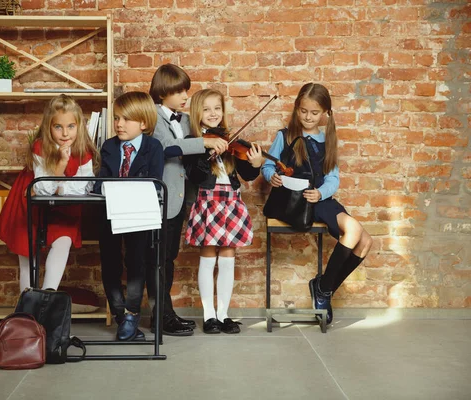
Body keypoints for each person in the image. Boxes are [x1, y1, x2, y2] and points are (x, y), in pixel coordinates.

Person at [261, 83, 373, 324]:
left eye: (314, 113)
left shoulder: (327, 140)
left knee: (365, 241)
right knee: (354, 231)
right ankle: (323, 290)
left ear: (325, 113)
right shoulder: (285, 135)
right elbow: (268, 165)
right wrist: (273, 176)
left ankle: (323, 287)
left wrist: (321, 194)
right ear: (296, 109)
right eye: (303, 111)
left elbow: (333, 179)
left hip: (319, 200)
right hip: (295, 202)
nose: (308, 117)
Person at [146, 64, 228, 336]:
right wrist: (203, 144)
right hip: (160, 198)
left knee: (168, 257)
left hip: (180, 199)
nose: (185, 96)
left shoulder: (183, 120)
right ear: (163, 92)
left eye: (186, 91)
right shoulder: (153, 116)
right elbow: (166, 147)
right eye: (179, 91)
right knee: (158, 258)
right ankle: (160, 315)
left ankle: (165, 313)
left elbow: (193, 145)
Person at [0, 95, 99, 292]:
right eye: (58, 127)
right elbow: (42, 189)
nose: (65, 133)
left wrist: (61, 187)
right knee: (28, 254)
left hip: (64, 209)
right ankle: (28, 307)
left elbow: (84, 187)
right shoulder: (40, 147)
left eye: (71, 126)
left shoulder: (84, 151)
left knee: (63, 241)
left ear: (79, 126)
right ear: (48, 127)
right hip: (30, 206)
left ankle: (47, 298)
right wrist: (60, 166)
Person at [183, 89, 264, 334]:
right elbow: (194, 175)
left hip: (231, 202)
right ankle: (209, 317)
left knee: (228, 258)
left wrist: (256, 164)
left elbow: (247, 174)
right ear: (197, 112)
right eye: (206, 109)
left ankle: (224, 314)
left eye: (217, 108)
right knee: (208, 257)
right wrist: (207, 151)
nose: (212, 113)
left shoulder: (231, 142)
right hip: (207, 202)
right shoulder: (194, 142)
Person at [94, 91, 164, 341]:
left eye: (126, 119)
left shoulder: (154, 147)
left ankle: (133, 313)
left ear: (143, 123)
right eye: (116, 118)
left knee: (136, 264)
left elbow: (156, 182)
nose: (119, 124)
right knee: (110, 263)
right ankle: (120, 317)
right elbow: (101, 179)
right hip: (110, 213)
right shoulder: (109, 146)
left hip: (139, 214)